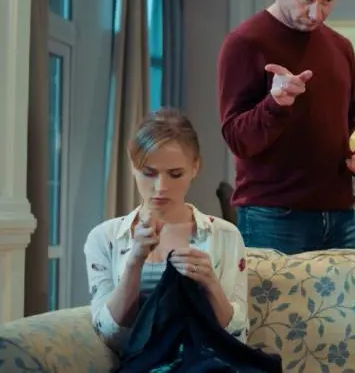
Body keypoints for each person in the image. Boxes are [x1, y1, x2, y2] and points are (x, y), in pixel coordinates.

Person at [217, 0, 355, 255]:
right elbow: (236, 138)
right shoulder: (245, 43)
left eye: (329, 1)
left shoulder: (341, 48)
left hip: (341, 214)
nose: (317, 13)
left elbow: (353, 123)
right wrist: (275, 104)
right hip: (272, 217)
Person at [84, 108, 248, 353]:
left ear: (195, 167)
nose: (161, 187)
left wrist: (211, 285)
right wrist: (134, 262)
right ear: (132, 166)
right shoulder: (105, 238)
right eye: (149, 173)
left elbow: (239, 337)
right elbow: (109, 335)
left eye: (175, 174)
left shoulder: (225, 235)